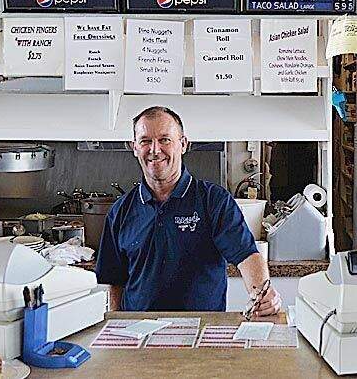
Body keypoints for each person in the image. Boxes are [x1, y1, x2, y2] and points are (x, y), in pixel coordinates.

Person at [95, 106, 281, 316]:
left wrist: (262, 294)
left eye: (165, 139)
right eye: (146, 141)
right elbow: (115, 281)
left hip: (202, 335)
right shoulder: (121, 211)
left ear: (183, 144)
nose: (155, 150)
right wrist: (115, 325)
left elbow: (246, 255)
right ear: (134, 147)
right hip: (138, 335)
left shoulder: (213, 201)